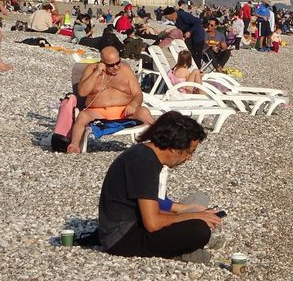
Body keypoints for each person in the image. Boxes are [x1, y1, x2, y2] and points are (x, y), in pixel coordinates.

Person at [97, 111, 221, 261]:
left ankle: (185, 248)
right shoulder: (144, 163)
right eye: (190, 152)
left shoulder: (144, 154)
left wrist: (189, 213)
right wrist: (194, 216)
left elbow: (153, 209)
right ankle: (181, 253)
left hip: (133, 223)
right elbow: (153, 223)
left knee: (199, 204)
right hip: (121, 239)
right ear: (175, 148)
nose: (189, 158)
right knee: (199, 230)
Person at [67, 46, 154, 153]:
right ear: (102, 62)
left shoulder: (125, 69)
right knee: (82, 116)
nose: (116, 67)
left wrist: (134, 104)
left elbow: (138, 93)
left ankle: (158, 141)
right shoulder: (91, 70)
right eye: (111, 65)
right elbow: (82, 92)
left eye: (118, 62)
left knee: (144, 112)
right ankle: (74, 145)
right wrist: (96, 73)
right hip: (98, 112)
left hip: (124, 111)